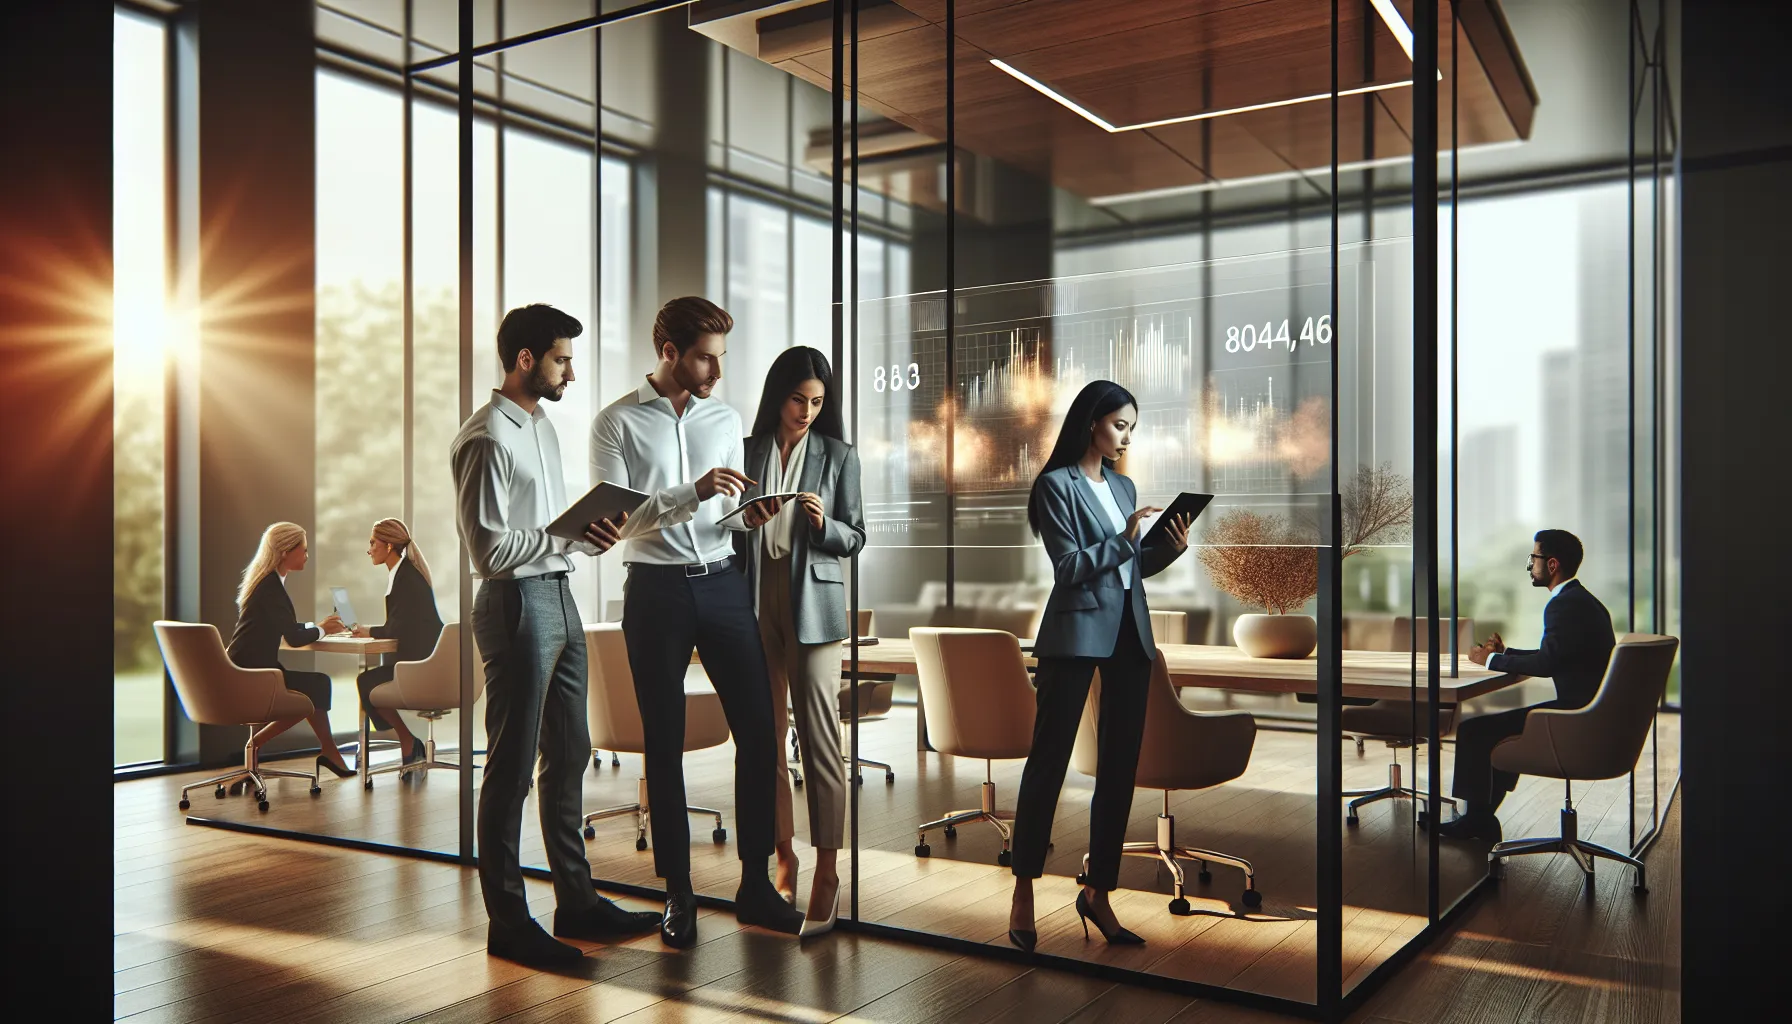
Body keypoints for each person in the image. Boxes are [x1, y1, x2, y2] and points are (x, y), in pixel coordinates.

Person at [589, 296, 806, 948]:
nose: (715, 371)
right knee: (664, 741)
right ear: (668, 351)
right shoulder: (616, 423)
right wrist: (697, 491)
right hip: (655, 592)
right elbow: (618, 519)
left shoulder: (725, 417)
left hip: (722, 585)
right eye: (705, 358)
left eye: (720, 358)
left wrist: (747, 515)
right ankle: (677, 897)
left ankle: (755, 886)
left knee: (761, 735)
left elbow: (725, 514)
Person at [450, 303, 660, 968]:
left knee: (570, 751)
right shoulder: (486, 437)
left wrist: (587, 534)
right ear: (524, 361)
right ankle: (508, 922)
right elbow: (487, 547)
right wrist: (557, 536)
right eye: (562, 359)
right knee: (511, 768)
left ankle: (576, 901)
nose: (570, 370)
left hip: (557, 592)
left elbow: (542, 528)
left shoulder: (540, 427)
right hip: (515, 602)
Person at [1006, 380, 1191, 952]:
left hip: (1130, 636)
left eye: (1131, 427)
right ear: (1091, 422)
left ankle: (1098, 894)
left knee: (1118, 769)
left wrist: (1165, 549)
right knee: (1049, 762)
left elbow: (1129, 568)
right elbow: (1069, 567)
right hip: (1075, 632)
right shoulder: (1053, 487)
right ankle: (1024, 887)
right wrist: (1127, 535)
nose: (1125, 437)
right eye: (1119, 425)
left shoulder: (1122, 483)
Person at [734, 346, 866, 939]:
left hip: (812, 605)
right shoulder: (747, 452)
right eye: (797, 399)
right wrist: (745, 520)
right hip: (755, 601)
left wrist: (824, 523)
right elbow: (727, 530)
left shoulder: (839, 456)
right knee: (763, 740)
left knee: (819, 742)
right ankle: (782, 854)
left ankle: (829, 870)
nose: (807, 411)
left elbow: (856, 536)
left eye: (817, 402)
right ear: (777, 396)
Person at [1435, 528, 1616, 843]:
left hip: (1573, 718)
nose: (1529, 565)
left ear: (1553, 564)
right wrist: (1504, 654)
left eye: (1533, 557)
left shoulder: (1564, 605)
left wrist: (1488, 662)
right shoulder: (1582, 601)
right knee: (1495, 727)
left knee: (1474, 730)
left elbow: (1546, 664)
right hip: (1589, 711)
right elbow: (1556, 656)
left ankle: (1477, 819)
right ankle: (1481, 818)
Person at [226, 522, 355, 780]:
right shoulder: (271, 587)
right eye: (304, 550)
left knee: (315, 687)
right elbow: (294, 639)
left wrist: (316, 627)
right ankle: (257, 745)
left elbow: (283, 626)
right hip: (255, 674)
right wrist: (323, 630)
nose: (307, 555)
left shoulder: (267, 582)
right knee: (317, 687)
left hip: (246, 666)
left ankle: (327, 751)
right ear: (286, 552)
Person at [349, 518, 444, 768]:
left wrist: (367, 631)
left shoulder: (406, 578)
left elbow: (396, 628)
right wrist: (370, 631)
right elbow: (400, 625)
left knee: (366, 683)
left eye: (372, 542)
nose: (369, 549)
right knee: (368, 682)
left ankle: (406, 740)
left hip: (418, 666)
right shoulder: (403, 574)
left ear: (388, 546)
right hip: (417, 660)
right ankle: (407, 741)